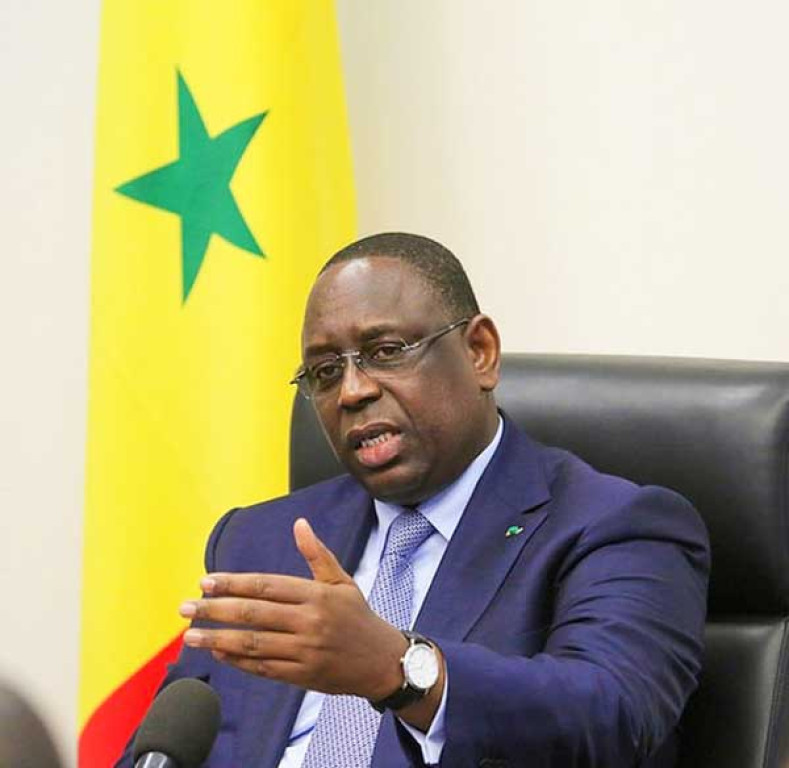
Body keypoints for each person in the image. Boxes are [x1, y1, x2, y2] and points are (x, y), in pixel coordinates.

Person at [117, 233, 710, 767]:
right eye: (324, 372)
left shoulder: (615, 525)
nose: (352, 391)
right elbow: (173, 741)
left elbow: (614, 718)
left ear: (479, 352)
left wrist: (397, 669)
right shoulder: (261, 540)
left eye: (385, 351)